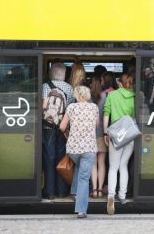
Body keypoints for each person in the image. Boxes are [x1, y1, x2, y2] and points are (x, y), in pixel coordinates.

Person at [59, 86, 99, 218]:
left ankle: (74, 192)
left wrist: (68, 133)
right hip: (89, 148)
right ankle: (81, 210)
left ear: (77, 95)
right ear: (87, 95)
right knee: (84, 178)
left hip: (73, 148)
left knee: (80, 168)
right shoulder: (94, 108)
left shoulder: (71, 107)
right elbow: (96, 125)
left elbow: (62, 126)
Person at [103, 73, 135, 215]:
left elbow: (106, 114)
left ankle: (111, 196)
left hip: (116, 132)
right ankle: (122, 195)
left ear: (120, 84)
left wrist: (105, 133)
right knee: (124, 165)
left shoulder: (112, 95)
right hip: (129, 132)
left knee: (113, 167)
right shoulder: (136, 96)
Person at [42, 62, 73, 200]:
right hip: (62, 128)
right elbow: (70, 109)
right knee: (61, 158)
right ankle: (61, 190)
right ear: (63, 74)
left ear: (51, 73)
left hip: (47, 127)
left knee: (49, 158)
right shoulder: (69, 88)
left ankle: (49, 192)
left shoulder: (44, 86)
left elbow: (43, 106)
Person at [90, 74, 108, 198]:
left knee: (93, 163)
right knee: (101, 162)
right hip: (102, 133)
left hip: (90, 135)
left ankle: (94, 189)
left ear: (91, 84)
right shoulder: (105, 96)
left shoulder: (87, 97)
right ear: (101, 83)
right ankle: (101, 190)